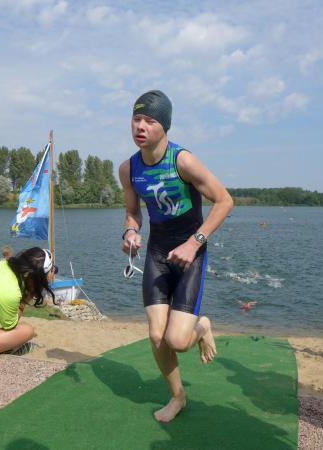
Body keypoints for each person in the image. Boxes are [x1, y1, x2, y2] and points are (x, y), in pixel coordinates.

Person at [119, 90, 233, 423]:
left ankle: (201, 326)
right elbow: (132, 212)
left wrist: (194, 243)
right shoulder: (129, 169)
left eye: (149, 121)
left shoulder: (183, 161)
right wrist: (130, 232)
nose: (140, 126)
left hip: (189, 252)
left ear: (164, 126)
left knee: (178, 341)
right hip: (157, 251)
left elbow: (224, 201)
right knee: (157, 336)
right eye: (136, 119)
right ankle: (178, 397)